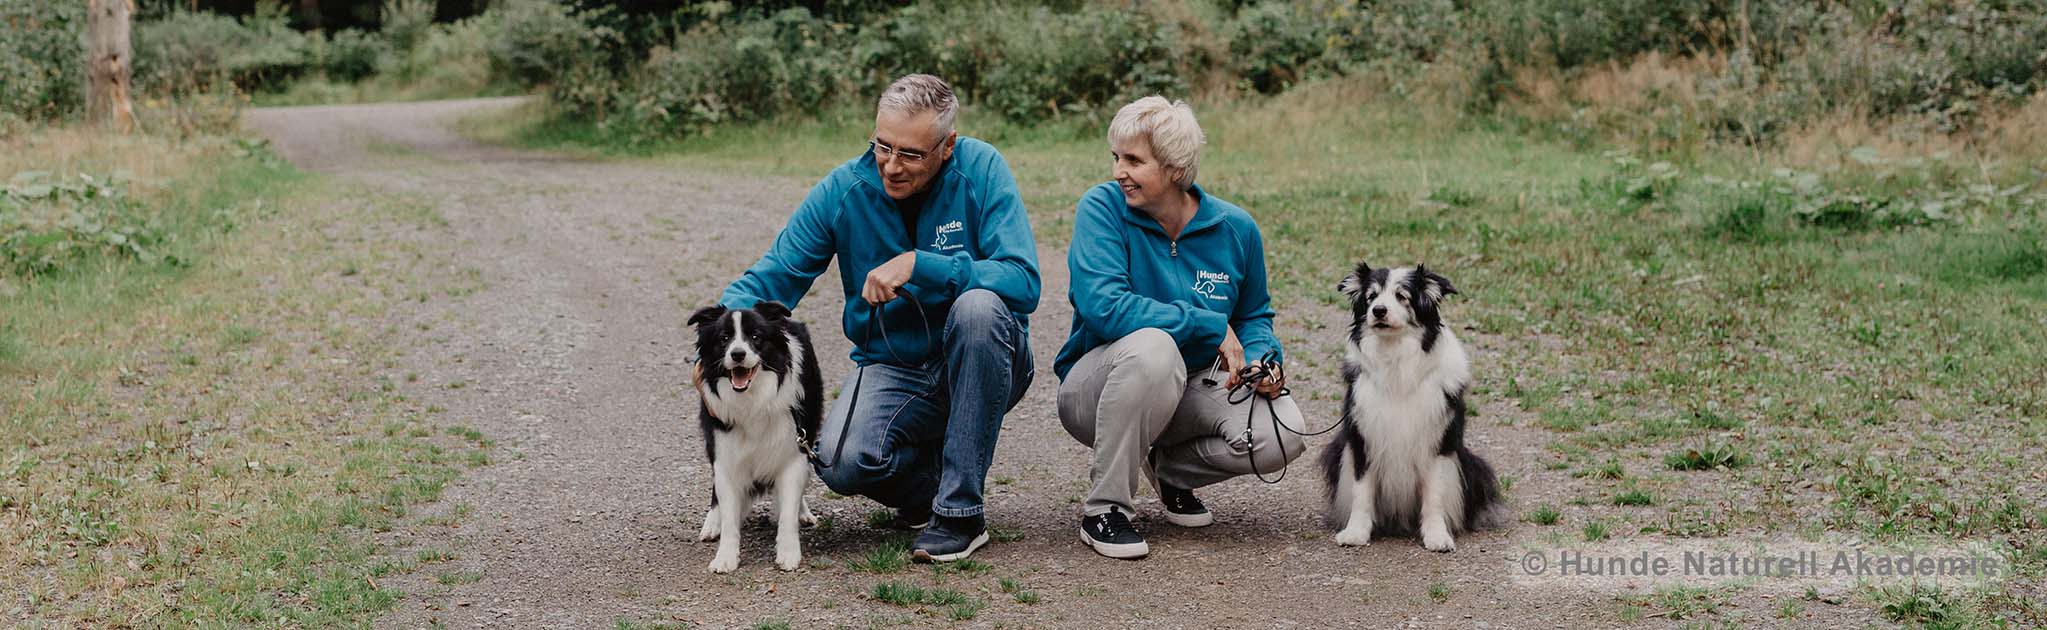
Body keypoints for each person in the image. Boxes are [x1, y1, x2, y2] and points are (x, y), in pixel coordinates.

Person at [718, 74, 1039, 562]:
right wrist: (722, 331)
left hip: (984, 355)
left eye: (910, 154)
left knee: (979, 307)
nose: (891, 165)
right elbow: (775, 275)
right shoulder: (844, 189)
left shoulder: (983, 169)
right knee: (840, 461)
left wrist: (922, 264)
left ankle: (959, 514)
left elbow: (1023, 280)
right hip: (893, 364)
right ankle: (926, 489)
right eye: (882, 146)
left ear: (947, 146)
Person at [1054, 96, 1308, 559]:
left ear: (1174, 168)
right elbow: (1103, 306)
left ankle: (1171, 472)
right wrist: (1206, 324)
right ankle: (1105, 510)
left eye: (1133, 160)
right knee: (1156, 347)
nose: (1118, 171)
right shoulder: (1103, 209)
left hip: (1190, 388)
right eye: (1116, 157)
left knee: (1284, 430)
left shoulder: (1236, 228)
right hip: (1097, 389)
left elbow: (1253, 316)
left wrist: (1260, 359)